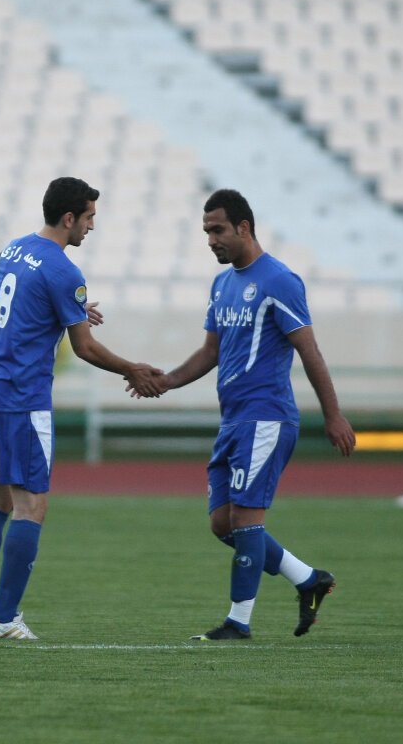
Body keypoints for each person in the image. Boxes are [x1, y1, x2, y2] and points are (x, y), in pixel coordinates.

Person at [130, 188, 356, 641]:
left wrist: (333, 415)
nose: (211, 240)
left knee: (247, 520)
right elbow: (210, 351)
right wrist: (167, 381)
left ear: (244, 227)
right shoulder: (222, 285)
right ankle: (309, 580)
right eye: (206, 232)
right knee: (222, 523)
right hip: (234, 420)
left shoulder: (280, 280)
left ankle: (238, 623)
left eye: (218, 230)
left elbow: (309, 351)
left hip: (267, 417)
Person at [0, 176, 164, 640]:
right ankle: (4, 619)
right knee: (32, 505)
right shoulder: (65, 271)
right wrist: (131, 369)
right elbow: (85, 348)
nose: (92, 226)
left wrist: (72, 309)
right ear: (69, 217)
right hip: (23, 397)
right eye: (89, 217)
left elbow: (28, 304)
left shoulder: (13, 250)